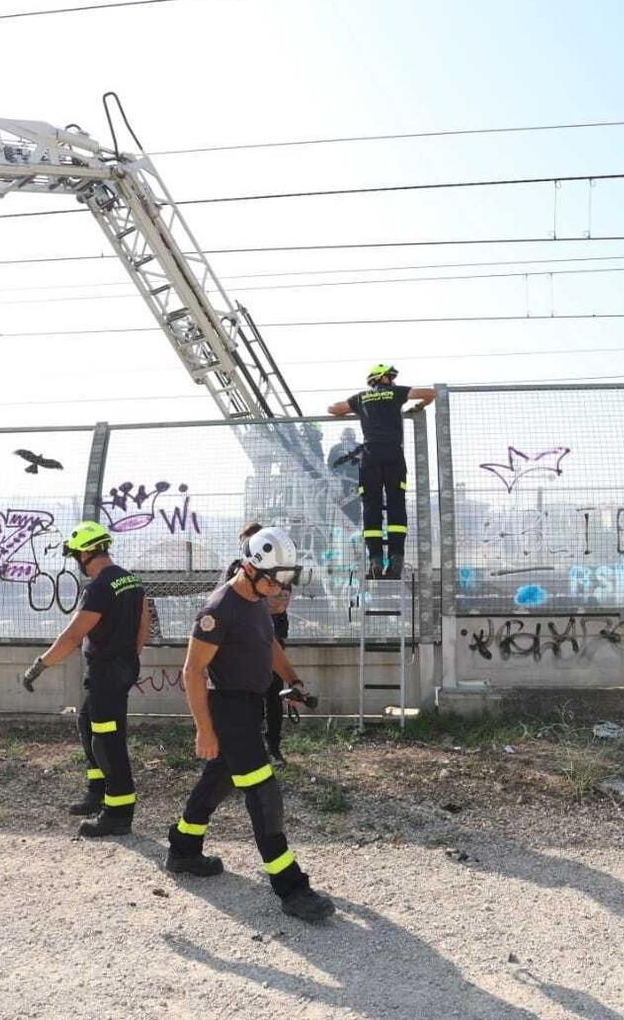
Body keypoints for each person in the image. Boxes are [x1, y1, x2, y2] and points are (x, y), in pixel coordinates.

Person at [167, 526, 335, 923]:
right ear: (250, 568)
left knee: (220, 778)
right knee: (263, 794)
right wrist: (205, 730)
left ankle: (183, 847)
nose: (279, 590)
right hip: (229, 710)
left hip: (249, 705)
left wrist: (293, 680)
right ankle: (292, 888)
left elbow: (269, 644)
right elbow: (192, 672)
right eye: (273, 581)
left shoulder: (257, 598)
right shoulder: (218, 609)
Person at [20, 521, 149, 836]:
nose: (78, 562)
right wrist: (130, 655)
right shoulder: (130, 580)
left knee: (108, 742)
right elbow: (145, 622)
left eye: (78, 555)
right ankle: (97, 791)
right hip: (123, 665)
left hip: (107, 671)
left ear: (88, 552)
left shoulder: (101, 587)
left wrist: (40, 664)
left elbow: (73, 635)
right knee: (86, 721)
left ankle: (118, 812)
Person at [327, 364, 436, 579]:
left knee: (371, 507)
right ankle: (396, 559)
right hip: (394, 456)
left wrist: (354, 410)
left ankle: (375, 560)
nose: (393, 380)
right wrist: (420, 406)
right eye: (391, 377)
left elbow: (332, 409)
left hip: (370, 457)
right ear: (385, 378)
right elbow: (431, 393)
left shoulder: (362, 398)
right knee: (396, 504)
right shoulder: (396, 392)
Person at [225, 522, 308, 767]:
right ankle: (250, 748)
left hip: (272, 638)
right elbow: (232, 599)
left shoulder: (278, 569)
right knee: (248, 698)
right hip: (243, 644)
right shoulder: (235, 569)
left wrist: (261, 601)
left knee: (274, 695)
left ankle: (273, 748)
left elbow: (281, 602)